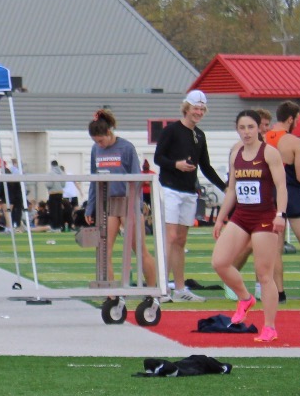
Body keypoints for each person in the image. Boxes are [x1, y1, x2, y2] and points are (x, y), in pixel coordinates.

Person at [210, 109, 288, 342]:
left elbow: (282, 186)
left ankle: (270, 327)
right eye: (242, 128)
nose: (246, 132)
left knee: (264, 274)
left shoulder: (270, 153)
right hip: (241, 216)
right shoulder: (236, 154)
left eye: (250, 127)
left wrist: (281, 214)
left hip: (265, 216)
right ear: (237, 130)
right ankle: (245, 298)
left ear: (259, 129)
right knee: (220, 262)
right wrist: (220, 218)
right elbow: (232, 189)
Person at [153, 90, 226, 301]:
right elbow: (159, 157)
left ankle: (180, 289)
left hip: (188, 191)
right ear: (187, 107)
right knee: (170, 237)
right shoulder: (172, 130)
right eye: (196, 108)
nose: (199, 112)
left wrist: (225, 187)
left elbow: (206, 166)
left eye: (202, 109)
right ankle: (162, 288)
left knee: (181, 240)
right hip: (170, 189)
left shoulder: (200, 135)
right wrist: (176, 164)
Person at [86, 111, 155, 290]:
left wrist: (137, 207)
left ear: (109, 132)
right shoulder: (96, 150)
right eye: (96, 141)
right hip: (108, 204)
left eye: (101, 140)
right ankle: (111, 293)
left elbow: (137, 178)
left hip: (127, 201)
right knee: (103, 250)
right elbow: (94, 179)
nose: (99, 144)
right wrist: (90, 207)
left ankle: (154, 289)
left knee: (139, 250)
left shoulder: (126, 148)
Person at [266, 101, 300, 301]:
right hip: (291, 194)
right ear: (291, 119)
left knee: (275, 248)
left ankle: (279, 293)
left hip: (270, 194)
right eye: (297, 119)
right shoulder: (294, 142)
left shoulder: (263, 139)